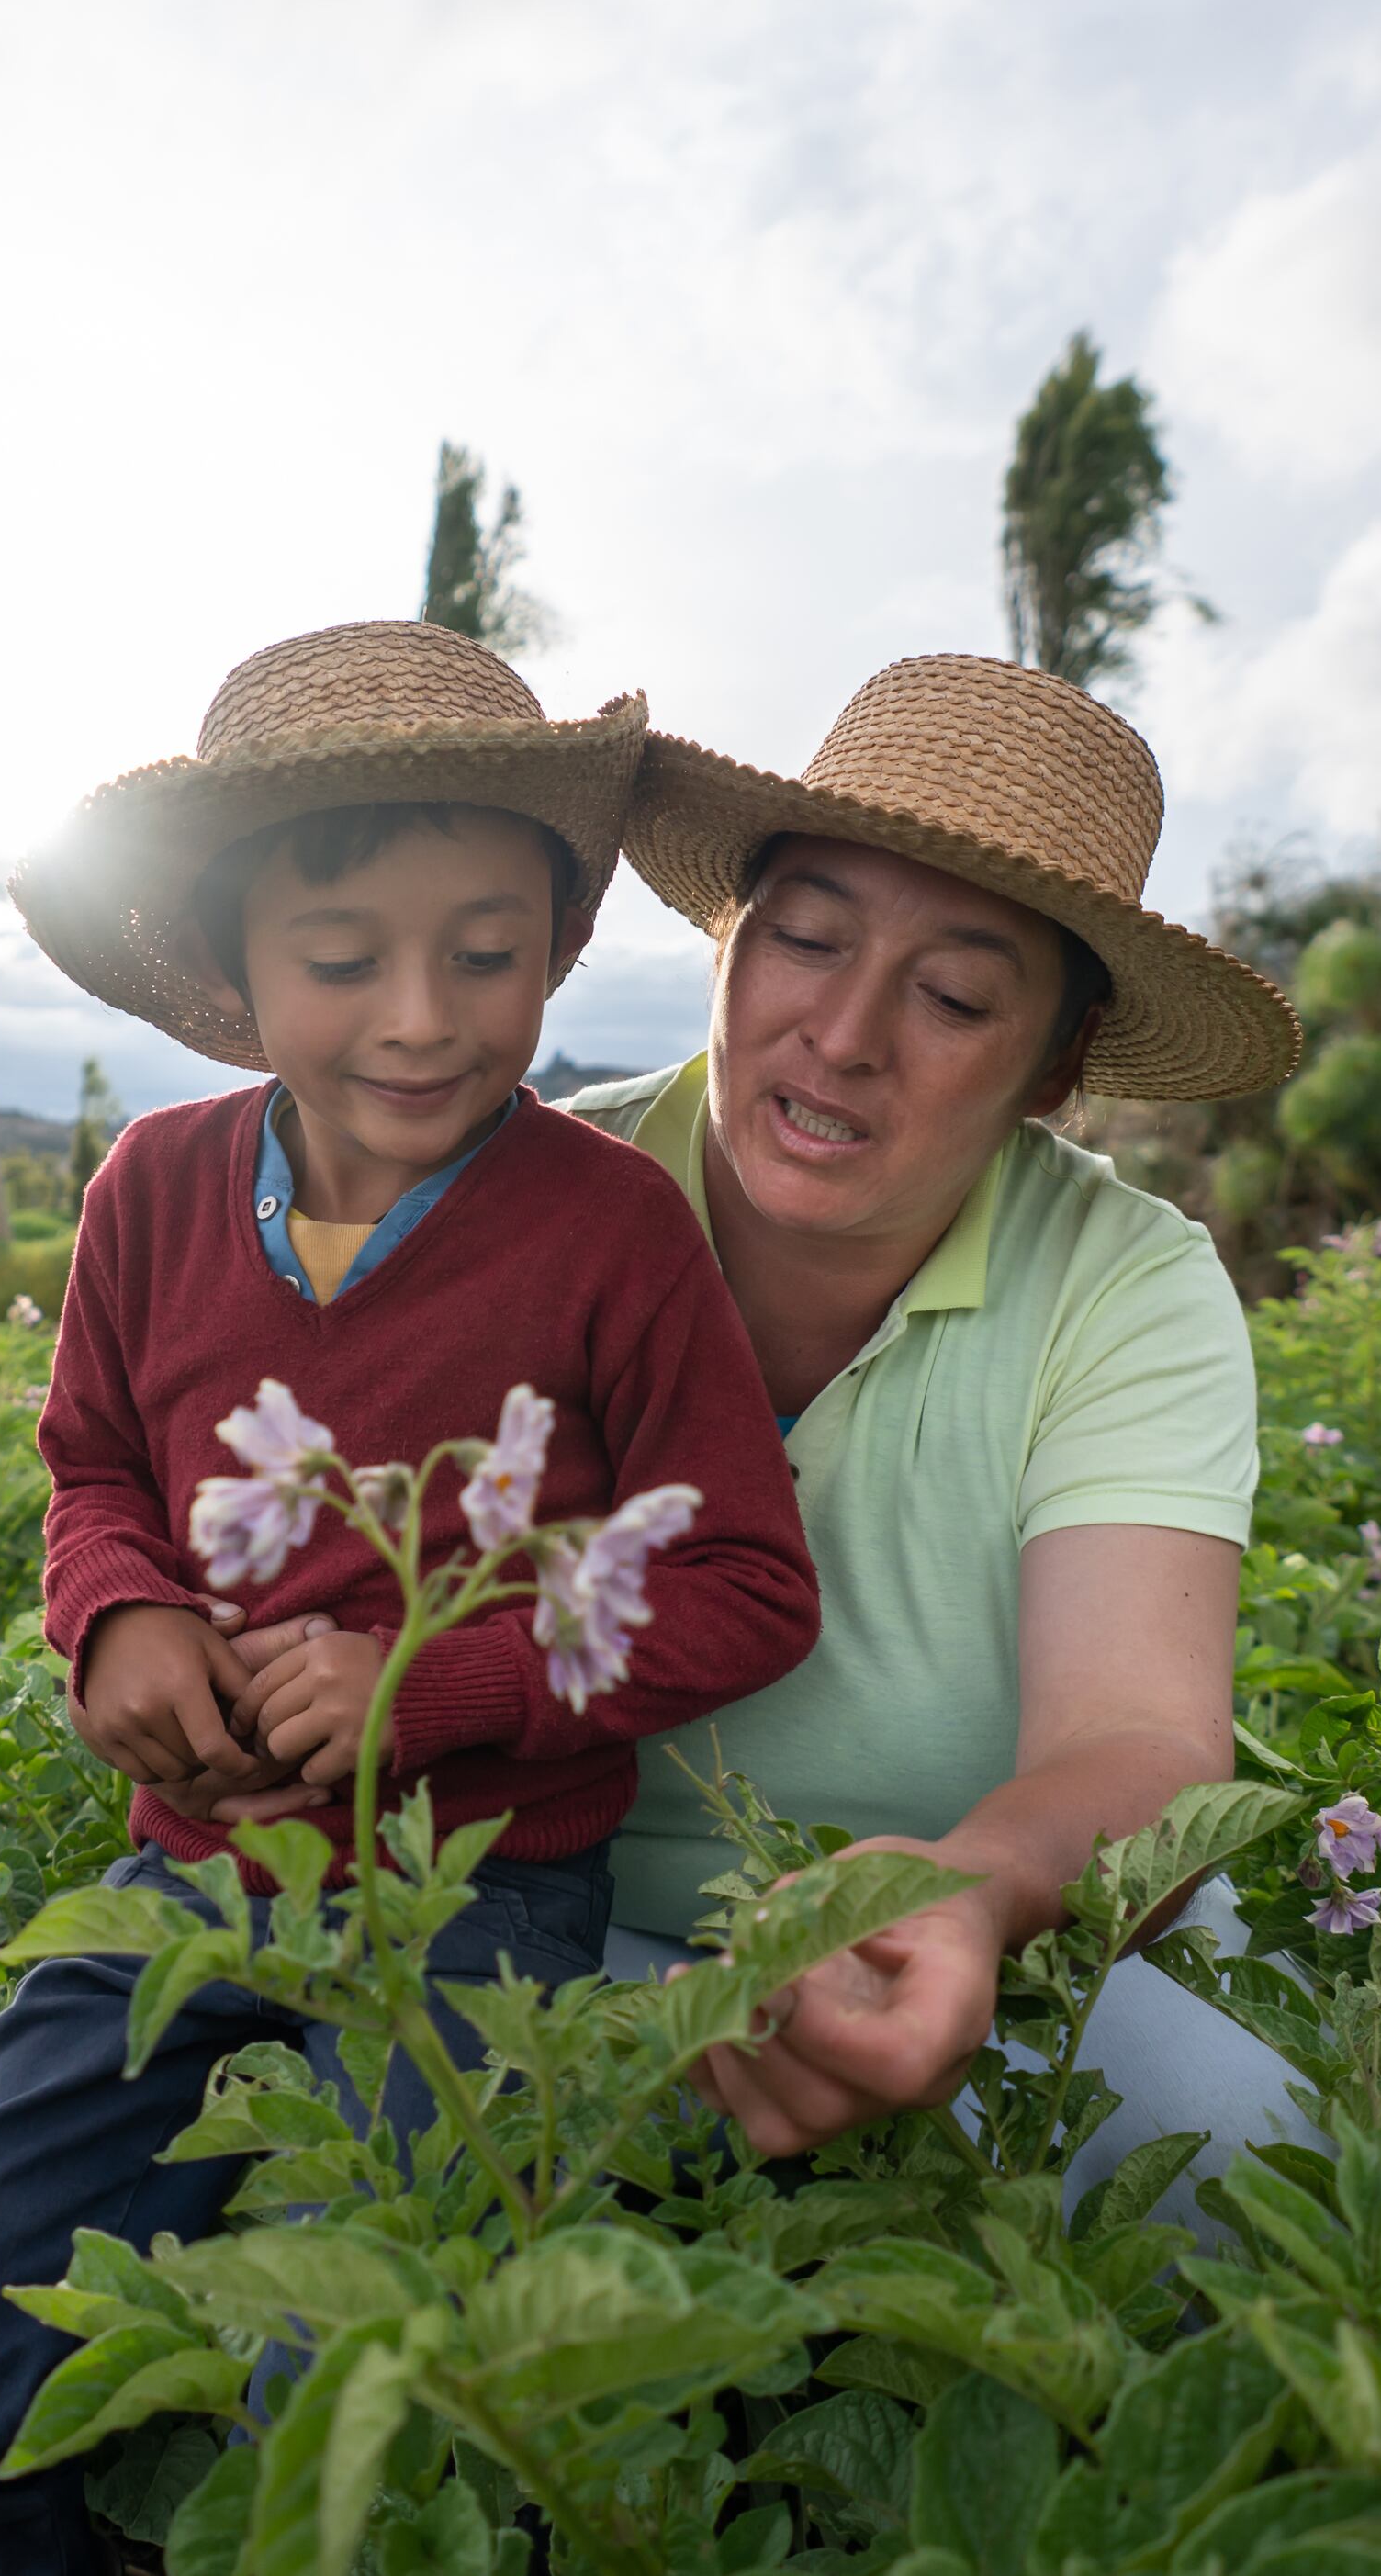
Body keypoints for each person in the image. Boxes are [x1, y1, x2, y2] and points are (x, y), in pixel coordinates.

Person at [0, 620, 823, 2576]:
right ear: (233, 965)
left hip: (485, 1899)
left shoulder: (609, 1229)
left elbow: (740, 1581)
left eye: (485, 951)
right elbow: (90, 1460)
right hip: (188, 1884)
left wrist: (432, 1685)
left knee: (341, 2385)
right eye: (343, 953)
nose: (418, 1016)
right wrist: (114, 1614)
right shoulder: (155, 1188)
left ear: (557, 952)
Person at [556, 651, 1314, 2199]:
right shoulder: (530, 1201)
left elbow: (1140, 1743)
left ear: (1055, 1071)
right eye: (807, 939)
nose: (841, 1035)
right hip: (561, 1926)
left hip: (984, 1935)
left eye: (957, 994)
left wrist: (954, 1896)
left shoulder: (1128, 1284)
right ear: (728, 941)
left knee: (1264, 2164)